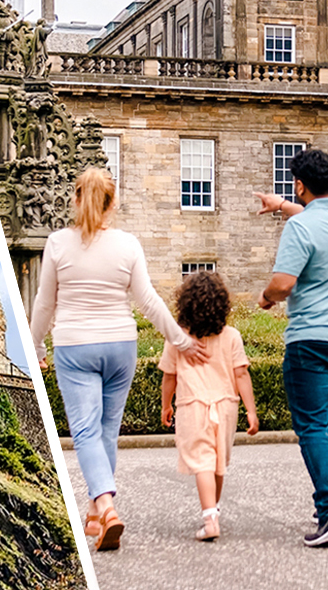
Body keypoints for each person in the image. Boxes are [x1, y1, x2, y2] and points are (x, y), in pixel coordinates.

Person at [31, 166, 207, 551]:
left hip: (76, 346)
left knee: (86, 431)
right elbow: (148, 301)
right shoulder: (127, 244)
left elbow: (45, 303)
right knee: (107, 430)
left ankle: (107, 508)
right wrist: (179, 340)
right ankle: (95, 515)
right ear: (112, 204)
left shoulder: (59, 243)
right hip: (120, 345)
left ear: (76, 199)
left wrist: (37, 347)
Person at [255, 148, 328, 547]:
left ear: (300, 184)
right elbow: (317, 218)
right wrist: (281, 205)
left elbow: (284, 284)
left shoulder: (300, 230)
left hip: (313, 341)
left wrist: (267, 297)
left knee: (313, 426)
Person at [158, 271, 258, 541]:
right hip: (226, 406)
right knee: (218, 463)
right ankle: (214, 509)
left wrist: (166, 405)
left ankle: (209, 518)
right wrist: (250, 410)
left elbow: (170, 376)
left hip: (193, 406)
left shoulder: (177, 339)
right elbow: (241, 374)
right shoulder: (232, 336)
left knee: (202, 462)